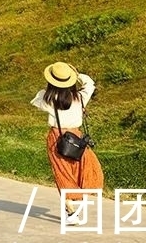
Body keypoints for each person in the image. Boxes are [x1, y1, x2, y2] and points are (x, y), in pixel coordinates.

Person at [31, 62, 104, 225]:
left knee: (62, 172)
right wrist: (77, 75)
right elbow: (90, 84)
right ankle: (75, 204)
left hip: (56, 137)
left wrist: (52, 88)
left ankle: (71, 210)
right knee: (85, 168)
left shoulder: (47, 98)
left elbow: (37, 98)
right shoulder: (80, 97)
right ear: (70, 81)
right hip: (76, 137)